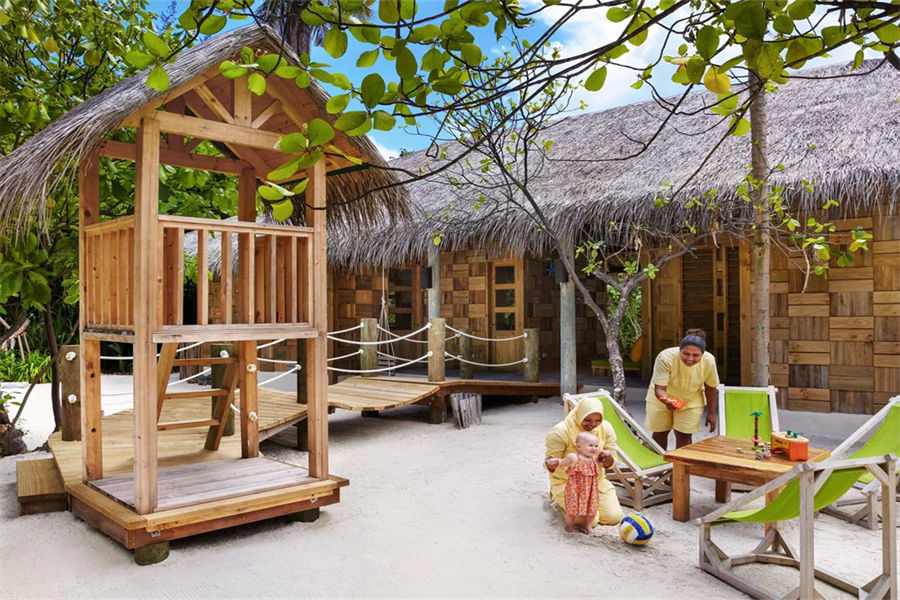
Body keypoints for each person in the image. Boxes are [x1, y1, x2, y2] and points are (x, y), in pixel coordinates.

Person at [545, 396, 623, 530]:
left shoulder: (605, 427)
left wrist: (608, 458)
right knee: (592, 521)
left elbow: (613, 462)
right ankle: (562, 504)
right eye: (587, 419)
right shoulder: (560, 431)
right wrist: (551, 464)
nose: (592, 424)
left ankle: (583, 507)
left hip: (595, 481)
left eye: (597, 420)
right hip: (567, 482)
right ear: (579, 414)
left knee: (613, 517)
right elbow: (550, 462)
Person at [645, 328, 719, 450]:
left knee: (684, 435)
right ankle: (658, 461)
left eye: (696, 355)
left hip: (692, 400)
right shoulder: (665, 357)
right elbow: (659, 389)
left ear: (703, 354)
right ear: (679, 349)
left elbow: (711, 387)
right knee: (660, 433)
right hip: (661, 397)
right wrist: (668, 401)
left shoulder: (709, 360)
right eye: (686, 354)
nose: (690, 358)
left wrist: (711, 413)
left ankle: (681, 463)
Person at [557, 431, 602, 533]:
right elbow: (562, 463)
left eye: (596, 446)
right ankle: (569, 525)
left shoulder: (594, 459)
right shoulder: (573, 457)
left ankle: (588, 527)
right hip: (575, 489)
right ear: (579, 447)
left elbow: (604, 462)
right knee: (572, 510)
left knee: (592, 510)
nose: (594, 448)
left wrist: (605, 455)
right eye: (590, 445)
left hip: (591, 491)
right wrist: (554, 462)